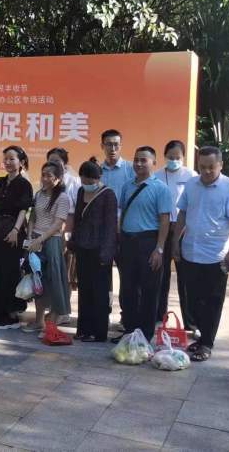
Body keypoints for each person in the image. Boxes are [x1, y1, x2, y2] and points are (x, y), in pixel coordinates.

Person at [173, 146, 229, 362]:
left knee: (213, 301)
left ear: (220, 165)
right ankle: (201, 336)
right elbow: (182, 213)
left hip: (216, 254)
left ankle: (206, 343)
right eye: (202, 167)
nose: (206, 171)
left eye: (211, 167)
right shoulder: (191, 185)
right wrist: (175, 242)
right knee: (194, 299)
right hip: (190, 251)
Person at [114, 146, 172, 343]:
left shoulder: (161, 188)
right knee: (128, 289)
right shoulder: (127, 186)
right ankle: (129, 331)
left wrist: (159, 249)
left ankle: (145, 335)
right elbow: (122, 213)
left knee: (149, 290)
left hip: (149, 242)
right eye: (136, 159)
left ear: (153, 163)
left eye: (143, 160)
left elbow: (165, 220)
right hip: (128, 243)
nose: (138, 164)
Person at [68, 161, 117, 342]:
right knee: (84, 290)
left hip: (100, 250)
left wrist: (107, 253)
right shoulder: (81, 191)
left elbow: (111, 226)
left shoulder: (108, 195)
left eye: (91, 180)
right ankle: (84, 329)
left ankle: (98, 332)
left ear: (98, 178)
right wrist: (73, 241)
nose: (87, 183)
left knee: (100, 292)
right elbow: (78, 219)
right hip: (83, 248)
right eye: (84, 180)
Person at [22, 161, 71, 336]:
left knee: (54, 281)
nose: (45, 178)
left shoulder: (63, 198)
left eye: (49, 175)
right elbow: (33, 217)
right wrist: (30, 236)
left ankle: (52, 325)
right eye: (43, 174)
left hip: (51, 242)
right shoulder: (39, 194)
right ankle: (39, 321)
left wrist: (40, 239)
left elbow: (58, 223)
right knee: (37, 281)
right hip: (35, 240)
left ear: (58, 178)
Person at [0, 146, 33, 329]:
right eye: (5, 158)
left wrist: (15, 230)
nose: (7, 162)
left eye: (12, 159)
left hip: (14, 230)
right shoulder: (0, 182)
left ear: (21, 162)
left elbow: (23, 209)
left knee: (10, 271)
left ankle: (10, 313)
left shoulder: (24, 184)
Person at [154, 140, 198, 329]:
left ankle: (191, 322)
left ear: (184, 157)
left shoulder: (192, 176)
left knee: (185, 278)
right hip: (162, 228)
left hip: (183, 230)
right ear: (164, 156)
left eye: (177, 157)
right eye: (170, 157)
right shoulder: (156, 176)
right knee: (160, 275)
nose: (173, 160)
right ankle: (158, 317)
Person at [98, 129, 135, 326]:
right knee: (102, 275)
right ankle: (103, 314)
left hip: (125, 230)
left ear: (120, 146)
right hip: (102, 232)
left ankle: (126, 316)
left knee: (126, 275)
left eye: (116, 144)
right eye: (108, 144)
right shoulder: (97, 171)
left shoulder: (130, 169)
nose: (112, 148)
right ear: (102, 146)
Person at [46, 147, 79, 325]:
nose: (53, 164)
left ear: (65, 163)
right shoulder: (47, 180)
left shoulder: (73, 181)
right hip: (48, 233)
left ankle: (63, 311)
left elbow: (74, 212)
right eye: (50, 160)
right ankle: (54, 309)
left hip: (65, 233)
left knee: (64, 274)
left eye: (57, 161)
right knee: (51, 273)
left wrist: (67, 236)